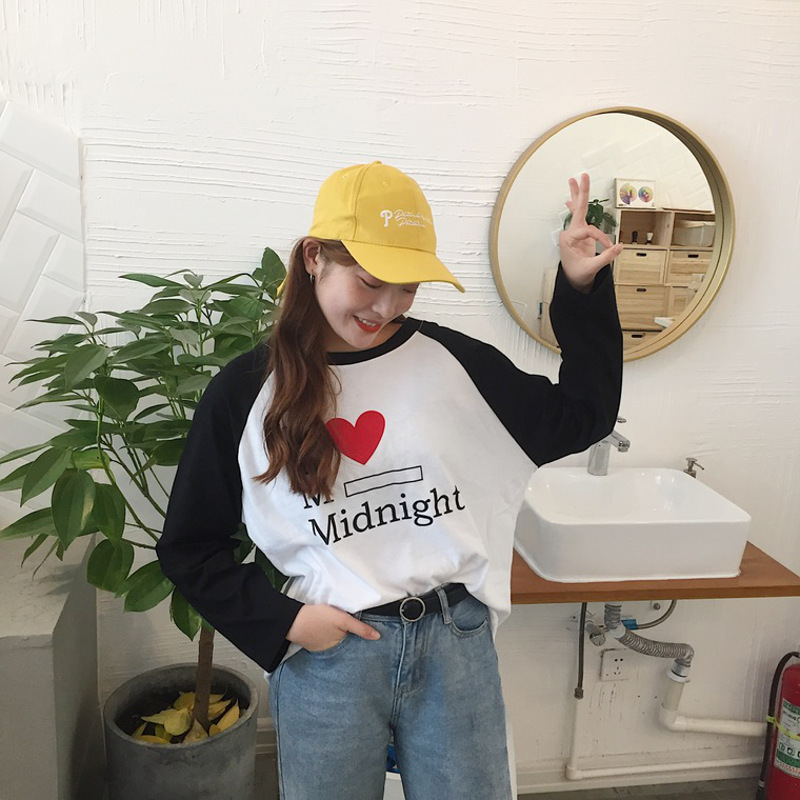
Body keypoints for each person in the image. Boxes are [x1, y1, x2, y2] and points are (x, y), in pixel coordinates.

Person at [157, 161, 623, 800]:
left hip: (454, 644)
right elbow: (189, 547)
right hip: (330, 656)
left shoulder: (451, 362)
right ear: (314, 258)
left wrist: (580, 289)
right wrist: (285, 621)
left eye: (407, 288)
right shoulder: (245, 391)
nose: (387, 307)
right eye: (370, 282)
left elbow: (582, 416)